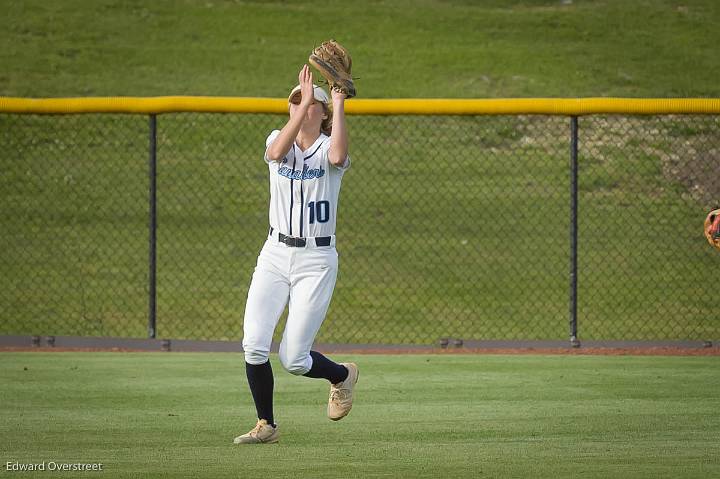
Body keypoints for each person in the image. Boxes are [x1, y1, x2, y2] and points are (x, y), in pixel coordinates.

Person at [234, 65, 358, 445]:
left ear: (321, 114)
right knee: (254, 344)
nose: (299, 107)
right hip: (275, 253)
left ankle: (341, 375)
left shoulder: (328, 148)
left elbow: (338, 157)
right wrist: (306, 103)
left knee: (293, 358)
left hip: (316, 260)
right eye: (294, 102)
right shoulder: (278, 140)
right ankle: (266, 424)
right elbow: (274, 152)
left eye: (307, 103)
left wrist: (337, 101)